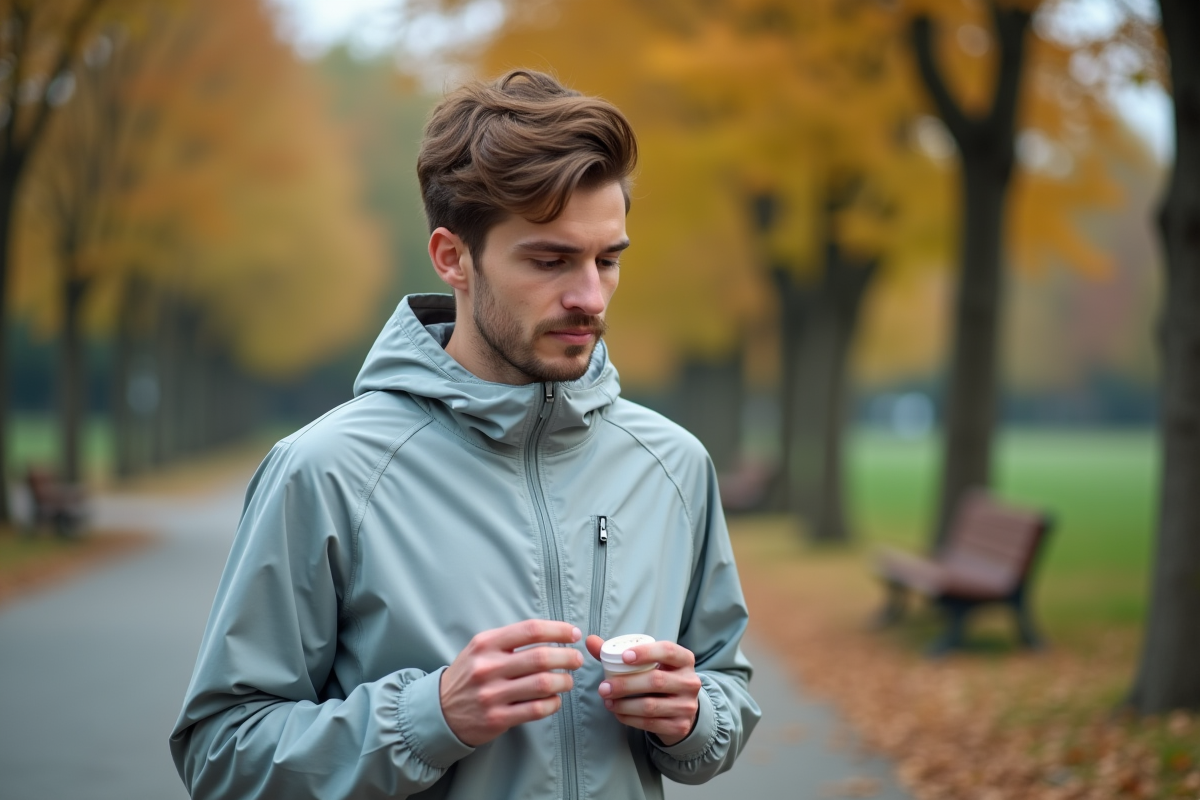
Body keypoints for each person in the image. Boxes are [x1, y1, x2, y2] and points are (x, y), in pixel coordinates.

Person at [170, 69, 760, 800]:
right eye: (549, 260)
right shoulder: (324, 471)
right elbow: (222, 753)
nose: (589, 296)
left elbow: (726, 687)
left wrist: (693, 716)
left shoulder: (673, 463)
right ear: (453, 258)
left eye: (608, 260)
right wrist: (429, 717)